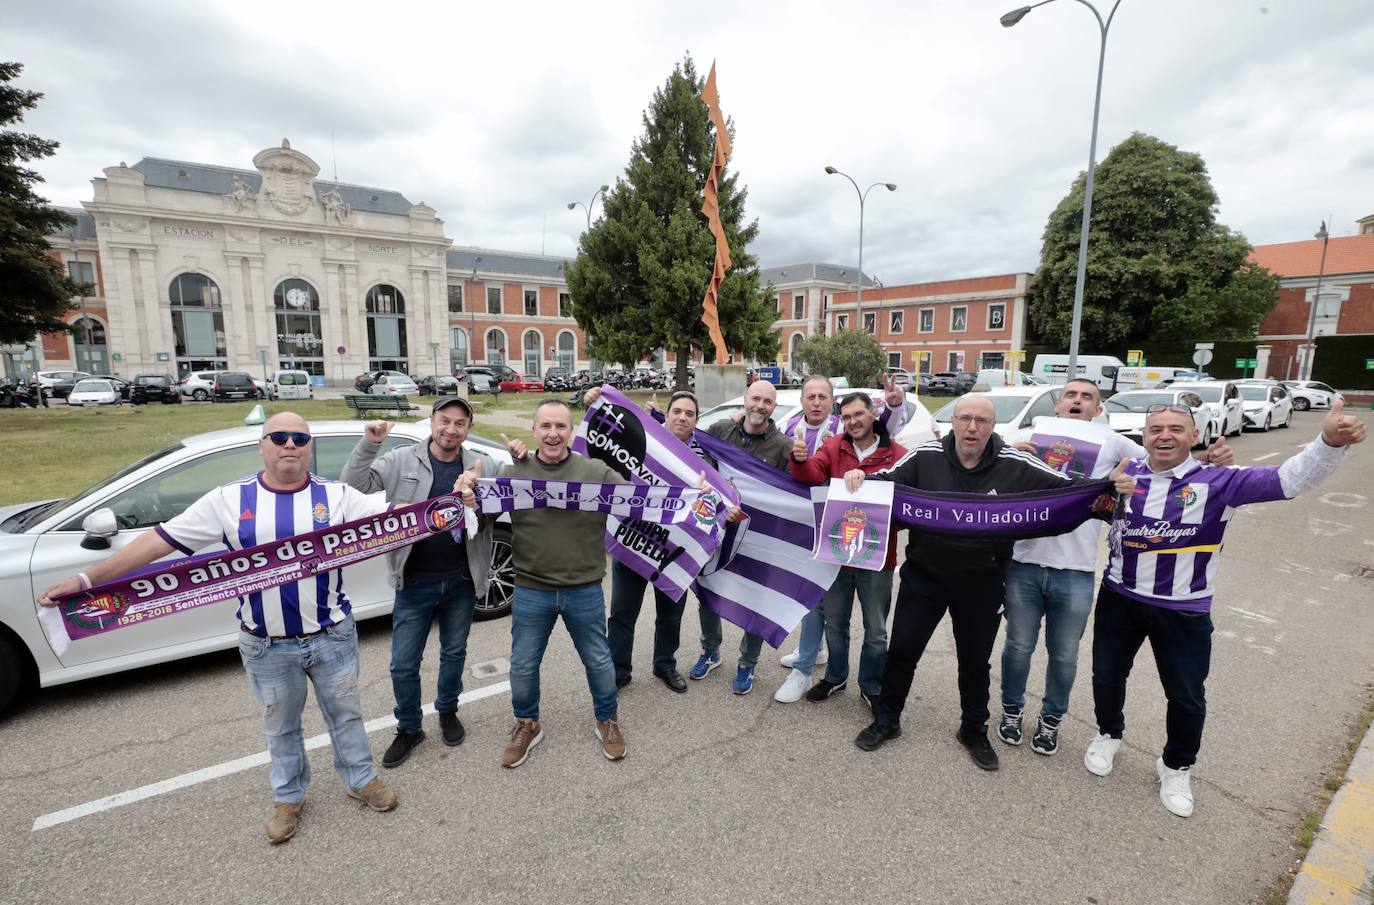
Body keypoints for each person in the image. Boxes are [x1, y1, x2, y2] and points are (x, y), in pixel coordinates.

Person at [37, 413, 398, 844]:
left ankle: (361, 780)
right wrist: (87, 581)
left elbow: (400, 518)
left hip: (331, 635)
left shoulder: (337, 496)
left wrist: (454, 502)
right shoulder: (229, 500)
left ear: (308, 448)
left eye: (299, 438)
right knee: (280, 726)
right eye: (279, 437)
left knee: (346, 714)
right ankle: (288, 798)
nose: (289, 444)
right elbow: (158, 543)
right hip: (266, 645)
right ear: (262, 445)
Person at [1085, 400, 1365, 817]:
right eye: (1156, 428)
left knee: (1186, 696)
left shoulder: (1219, 481)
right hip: (1119, 597)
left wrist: (1328, 443)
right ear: (1143, 435)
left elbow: (1289, 480)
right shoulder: (1123, 477)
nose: (1165, 435)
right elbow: (1070, 495)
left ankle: (1176, 765)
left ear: (1193, 435)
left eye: (1176, 429)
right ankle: (1109, 734)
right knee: (1107, 676)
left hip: (1184, 609)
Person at [842, 393, 1132, 770]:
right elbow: (884, 484)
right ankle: (887, 719)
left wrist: (1103, 486)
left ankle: (973, 729)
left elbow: (1066, 487)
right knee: (902, 652)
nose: (972, 428)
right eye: (965, 419)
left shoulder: (1015, 461)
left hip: (983, 583)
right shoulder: (926, 455)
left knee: (975, 662)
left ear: (993, 426)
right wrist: (859, 477)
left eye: (981, 421)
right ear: (954, 422)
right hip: (924, 577)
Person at [997, 379, 1232, 756]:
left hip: (1074, 568)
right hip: (1024, 561)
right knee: (1018, 646)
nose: (1077, 401)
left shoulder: (1112, 441)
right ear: (1059, 405)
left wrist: (1207, 461)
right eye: (1071, 396)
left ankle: (1051, 718)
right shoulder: (1032, 432)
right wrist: (1010, 455)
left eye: (1086, 397)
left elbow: (1161, 460)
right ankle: (1011, 711)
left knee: (1064, 654)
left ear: (1098, 408)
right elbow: (992, 466)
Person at [463, 400, 628, 768]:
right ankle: (527, 723)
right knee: (523, 664)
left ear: (571, 432)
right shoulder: (513, 472)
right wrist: (471, 497)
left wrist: (691, 498)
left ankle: (607, 719)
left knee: (599, 661)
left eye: (561, 426)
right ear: (534, 431)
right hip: (532, 588)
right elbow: (480, 515)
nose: (553, 433)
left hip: (583, 587)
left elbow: (638, 503)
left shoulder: (595, 470)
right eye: (545, 426)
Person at [341, 397, 495, 767]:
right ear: (432, 421)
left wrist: (476, 502)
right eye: (445, 421)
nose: (451, 429)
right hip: (414, 582)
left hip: (460, 579)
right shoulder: (401, 461)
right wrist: (370, 443)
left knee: (453, 653)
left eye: (460, 423)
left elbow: (500, 511)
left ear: (468, 429)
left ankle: (447, 710)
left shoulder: (482, 465)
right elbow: (353, 484)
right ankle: (409, 727)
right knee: (403, 664)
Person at [774, 374, 909, 671]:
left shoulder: (897, 454)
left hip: (877, 560)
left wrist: (872, 483)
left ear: (874, 414)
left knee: (876, 631)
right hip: (837, 557)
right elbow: (811, 473)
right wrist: (799, 460)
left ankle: (871, 684)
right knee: (835, 625)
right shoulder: (834, 446)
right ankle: (835, 676)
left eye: (859, 414)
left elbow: (908, 499)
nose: (853, 421)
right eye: (847, 417)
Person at [690, 379, 791, 695]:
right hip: (720, 528)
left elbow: (794, 494)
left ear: (773, 408)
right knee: (709, 588)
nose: (760, 406)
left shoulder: (783, 446)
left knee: (755, 598)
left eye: (767, 402)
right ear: (745, 400)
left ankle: (748, 662)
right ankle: (711, 651)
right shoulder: (721, 430)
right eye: (756, 399)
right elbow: (688, 448)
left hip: (760, 535)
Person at [607, 389, 701, 694]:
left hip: (674, 551)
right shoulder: (645, 443)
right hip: (634, 540)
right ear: (667, 414)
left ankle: (665, 664)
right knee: (622, 613)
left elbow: (715, 502)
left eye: (689, 413)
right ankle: (619, 670)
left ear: (696, 421)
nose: (682, 417)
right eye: (677, 411)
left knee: (670, 614)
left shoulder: (705, 462)